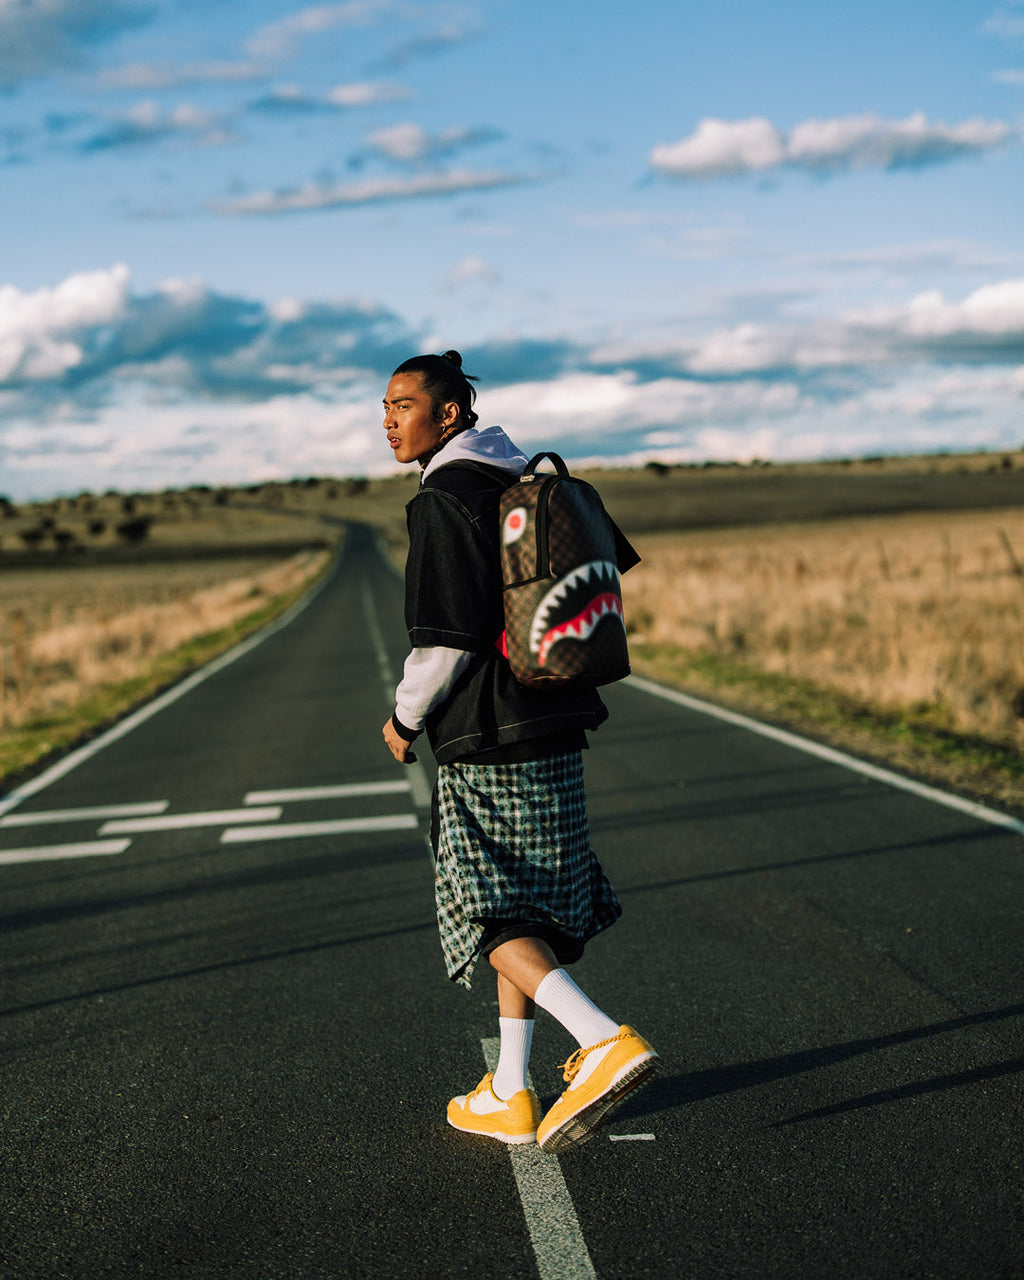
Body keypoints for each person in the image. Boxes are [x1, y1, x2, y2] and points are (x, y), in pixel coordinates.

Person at [380, 350, 659, 1153]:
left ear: (451, 415)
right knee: (524, 902)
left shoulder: (444, 498)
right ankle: (510, 1089)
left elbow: (445, 639)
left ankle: (601, 1039)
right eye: (386, 408)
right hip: (558, 714)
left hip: (488, 731)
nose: (390, 421)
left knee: (485, 904)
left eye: (405, 405)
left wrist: (403, 720)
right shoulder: (528, 483)